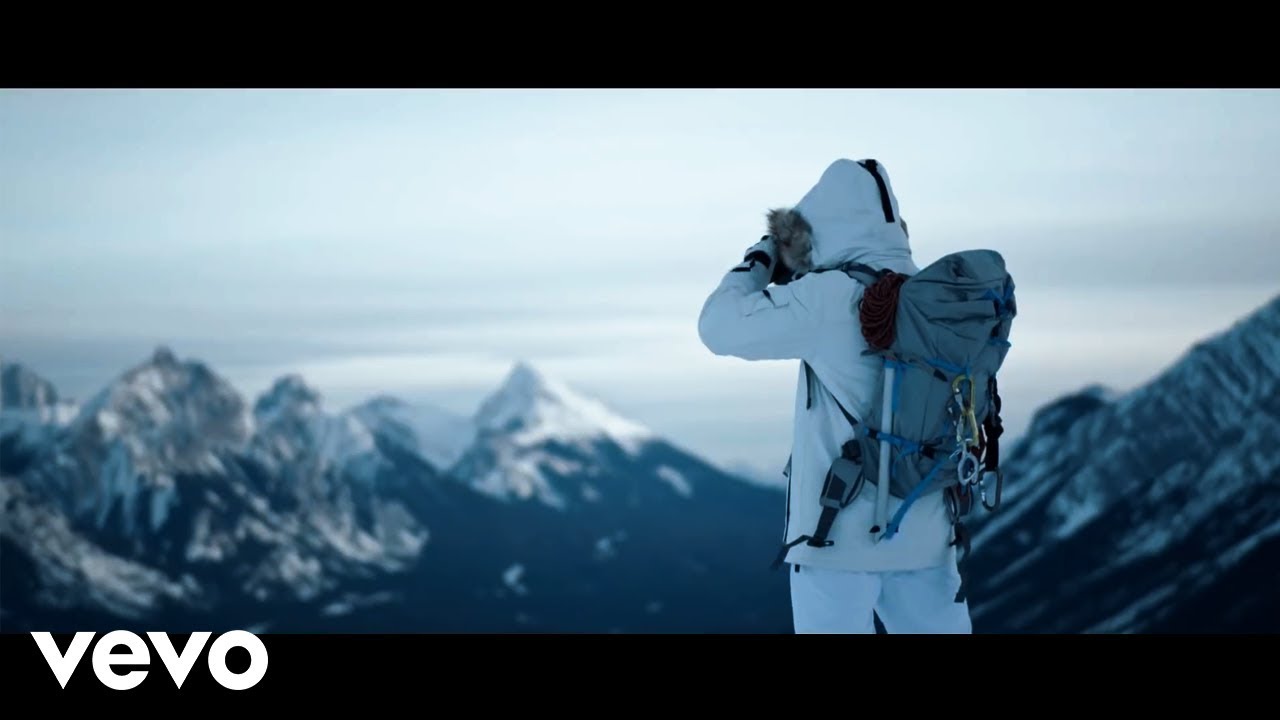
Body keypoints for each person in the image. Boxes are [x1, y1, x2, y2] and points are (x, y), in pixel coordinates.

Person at [697, 158, 972, 634]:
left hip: (837, 539)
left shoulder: (828, 296)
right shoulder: (932, 296)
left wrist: (761, 258)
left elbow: (717, 327)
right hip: (928, 531)